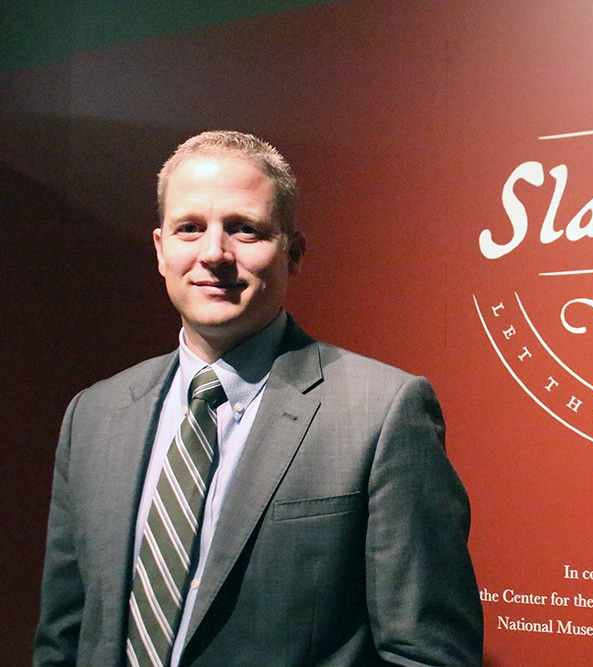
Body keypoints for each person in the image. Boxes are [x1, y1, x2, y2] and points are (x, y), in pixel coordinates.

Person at [34, 131, 483, 666]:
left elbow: (428, 654)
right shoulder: (94, 415)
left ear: (292, 253)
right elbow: (63, 638)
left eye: (244, 230)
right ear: (160, 249)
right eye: (190, 228)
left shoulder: (383, 413)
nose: (213, 253)